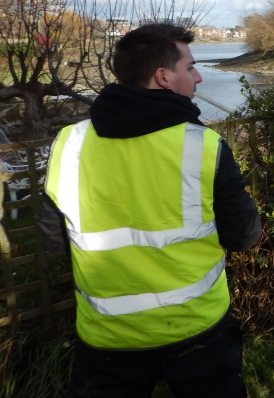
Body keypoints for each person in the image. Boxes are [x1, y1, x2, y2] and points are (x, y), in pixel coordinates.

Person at [40, 23, 261, 397]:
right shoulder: (203, 146)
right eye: (190, 67)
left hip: (108, 336)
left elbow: (54, 242)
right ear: (163, 77)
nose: (199, 76)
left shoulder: (69, 143)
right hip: (198, 329)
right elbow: (245, 235)